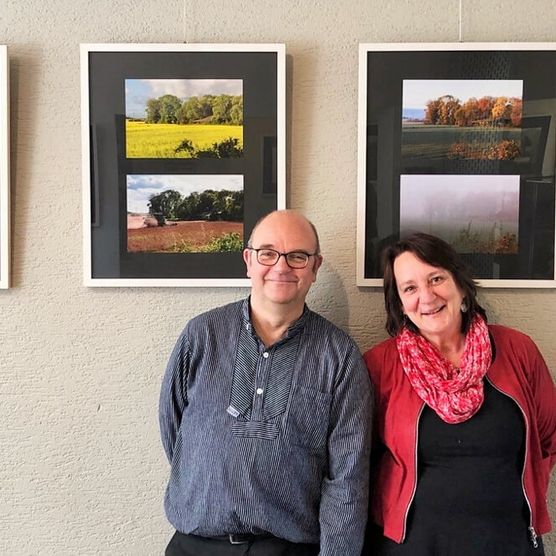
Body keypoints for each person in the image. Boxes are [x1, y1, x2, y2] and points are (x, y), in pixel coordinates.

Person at [160, 210, 373, 556]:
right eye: (268, 253)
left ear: (315, 267)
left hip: (286, 548)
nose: (282, 267)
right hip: (193, 545)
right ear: (248, 260)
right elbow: (175, 434)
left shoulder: (340, 357)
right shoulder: (201, 335)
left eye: (298, 256)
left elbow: (346, 479)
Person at [363, 232, 556, 555]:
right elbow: (358, 459)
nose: (426, 296)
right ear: (399, 304)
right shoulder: (380, 366)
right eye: (409, 288)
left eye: (436, 278)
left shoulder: (517, 350)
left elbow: (549, 437)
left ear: (461, 286)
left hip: (509, 542)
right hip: (411, 547)